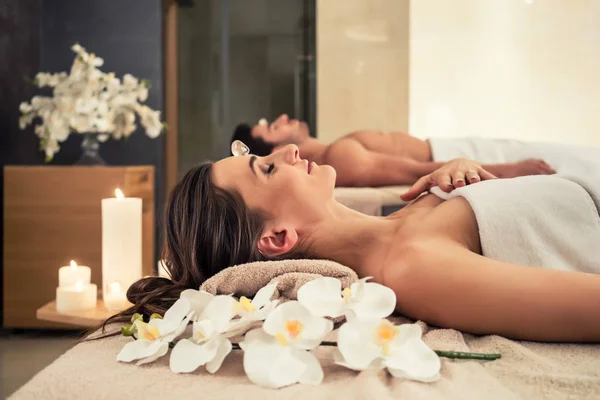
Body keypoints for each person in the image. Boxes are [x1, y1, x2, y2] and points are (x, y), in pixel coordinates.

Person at [109, 145, 600, 343]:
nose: (291, 151)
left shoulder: (408, 221)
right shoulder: (411, 267)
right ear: (278, 238)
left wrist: (471, 182)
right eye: (269, 167)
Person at [231, 114, 561, 187]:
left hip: (459, 146)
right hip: (462, 155)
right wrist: (508, 169)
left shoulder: (335, 148)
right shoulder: (339, 158)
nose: (285, 119)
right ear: (275, 149)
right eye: (274, 127)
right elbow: (418, 172)